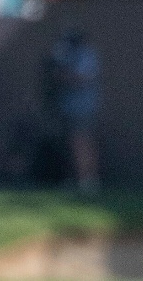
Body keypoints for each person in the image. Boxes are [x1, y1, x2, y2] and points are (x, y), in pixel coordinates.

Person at [43, 27, 102, 194]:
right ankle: (75, 177)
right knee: (70, 144)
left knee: (83, 142)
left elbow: (82, 77)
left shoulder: (87, 55)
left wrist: (64, 75)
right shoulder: (65, 54)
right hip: (67, 107)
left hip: (83, 107)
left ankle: (88, 180)